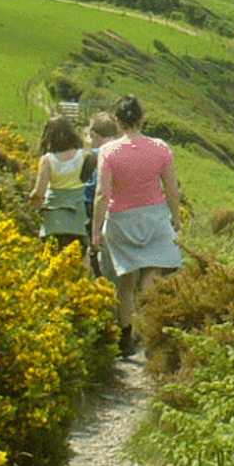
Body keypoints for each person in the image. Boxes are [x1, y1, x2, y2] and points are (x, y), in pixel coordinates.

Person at [91, 96, 182, 357]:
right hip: (154, 218)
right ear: (142, 119)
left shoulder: (108, 152)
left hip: (121, 220)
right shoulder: (161, 147)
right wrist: (175, 218)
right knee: (152, 277)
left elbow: (102, 195)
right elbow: (172, 189)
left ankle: (126, 339)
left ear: (118, 122)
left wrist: (96, 231)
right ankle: (153, 335)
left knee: (126, 283)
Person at [28, 115, 90, 262]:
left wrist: (31, 201)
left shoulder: (47, 160)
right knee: (78, 259)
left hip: (54, 220)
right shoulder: (84, 156)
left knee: (52, 260)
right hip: (78, 217)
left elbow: (40, 192)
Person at [82, 112, 121, 278]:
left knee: (93, 244)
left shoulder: (92, 155)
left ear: (94, 136)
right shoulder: (120, 152)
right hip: (117, 205)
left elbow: (84, 185)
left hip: (92, 205)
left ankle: (98, 278)